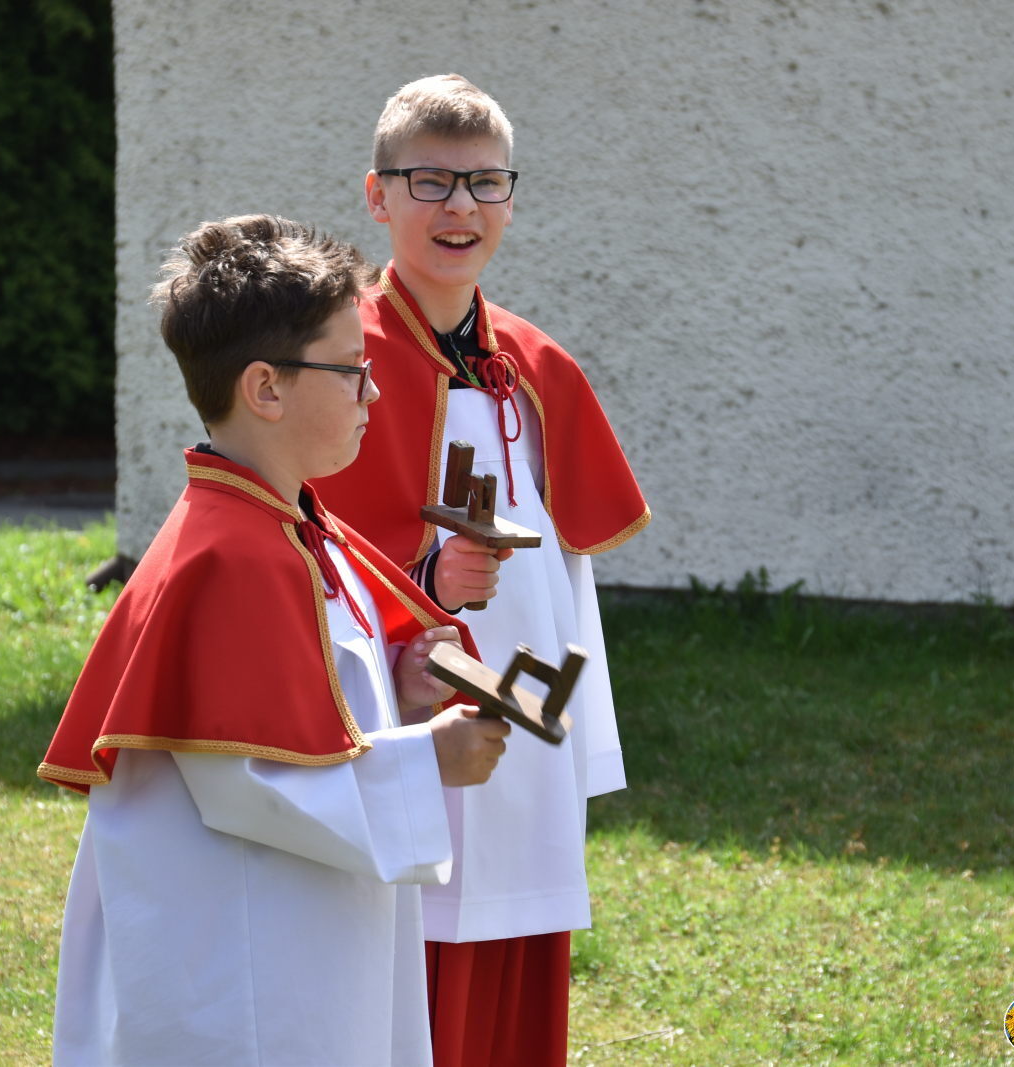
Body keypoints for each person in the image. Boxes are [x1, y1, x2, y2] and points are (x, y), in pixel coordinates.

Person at [37, 214, 512, 1067]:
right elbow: (250, 783)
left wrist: (395, 691)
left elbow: (305, 709)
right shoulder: (230, 558)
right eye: (354, 370)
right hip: (240, 958)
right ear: (266, 388)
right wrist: (427, 760)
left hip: (301, 923)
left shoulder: (285, 524)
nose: (374, 394)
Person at [314, 75, 650, 1066]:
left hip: (526, 719)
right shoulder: (340, 361)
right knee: (413, 962)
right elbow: (309, 546)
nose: (459, 206)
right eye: (430, 180)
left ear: (509, 197)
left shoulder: (537, 364)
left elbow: (570, 578)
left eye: (484, 182)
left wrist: (579, 736)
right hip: (410, 708)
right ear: (378, 196)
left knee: (519, 960)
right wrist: (425, 576)